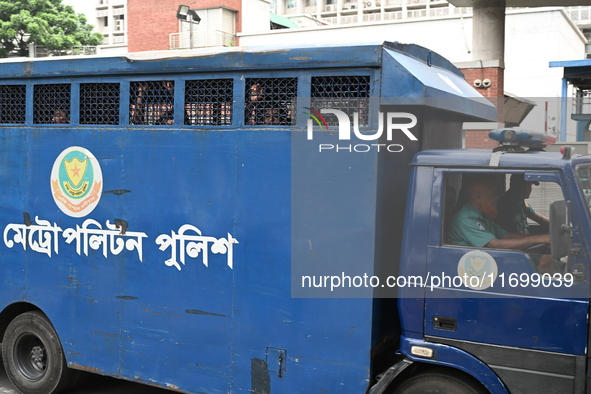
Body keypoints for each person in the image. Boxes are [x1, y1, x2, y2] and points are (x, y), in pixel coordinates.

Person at [448, 176, 558, 273]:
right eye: (493, 194)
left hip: (489, 263)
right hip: (476, 269)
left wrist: (542, 238)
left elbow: (506, 236)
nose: (497, 198)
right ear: (478, 197)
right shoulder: (466, 219)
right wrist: (540, 239)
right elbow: (495, 244)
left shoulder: (483, 216)